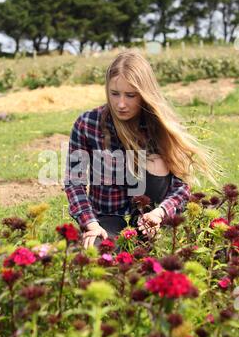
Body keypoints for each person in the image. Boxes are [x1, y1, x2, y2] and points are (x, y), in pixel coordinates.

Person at [64, 50, 221, 249]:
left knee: (156, 161)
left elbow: (181, 186)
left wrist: (160, 213)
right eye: (114, 94)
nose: (121, 104)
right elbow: (74, 181)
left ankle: (155, 234)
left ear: (145, 94)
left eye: (130, 95)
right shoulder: (87, 124)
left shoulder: (158, 125)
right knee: (97, 249)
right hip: (107, 216)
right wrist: (90, 222)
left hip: (149, 216)